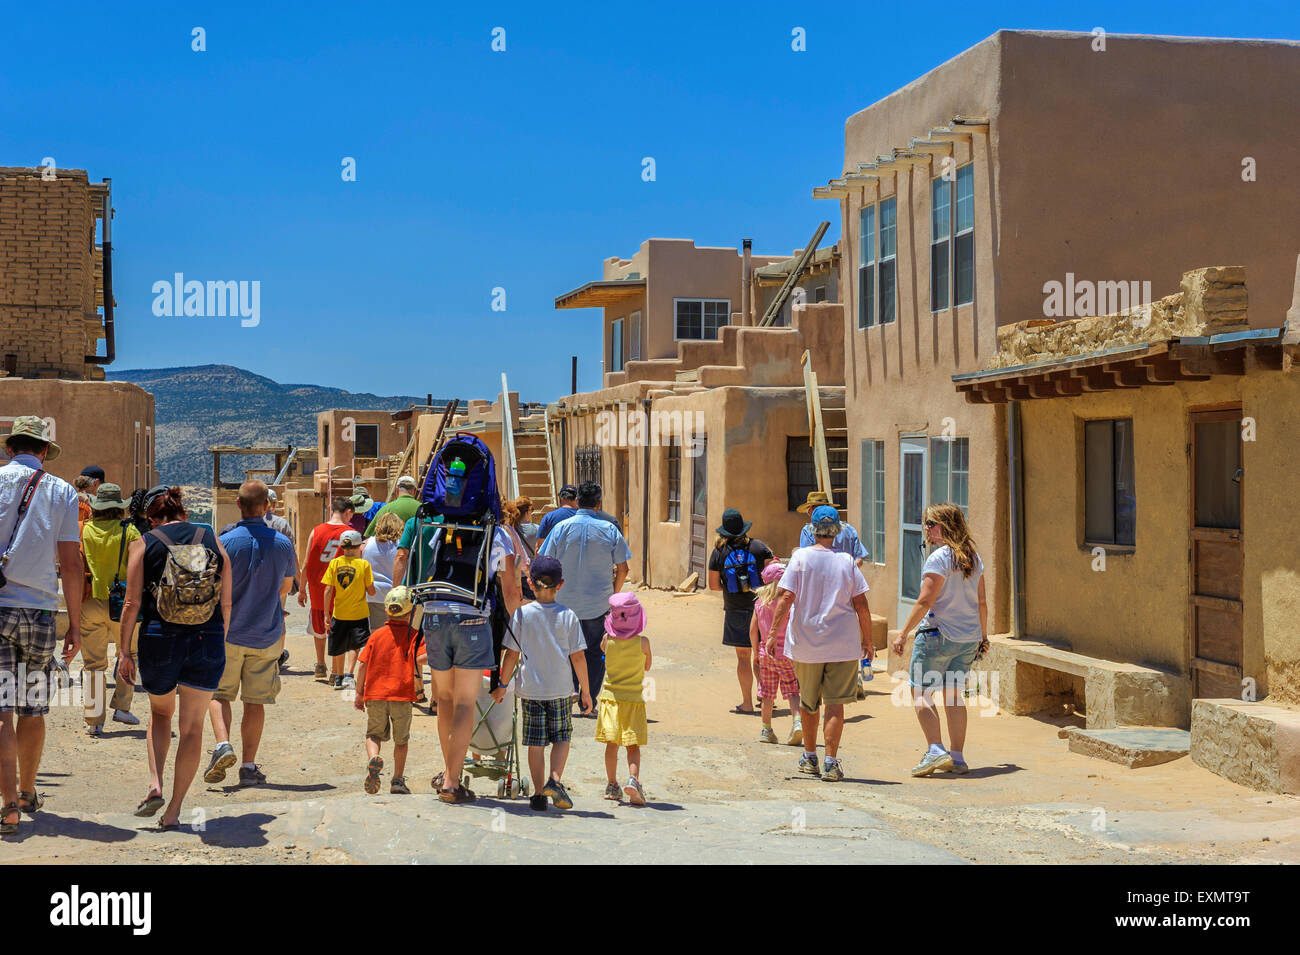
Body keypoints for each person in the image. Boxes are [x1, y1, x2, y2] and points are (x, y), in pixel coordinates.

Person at [117, 486, 231, 830]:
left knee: (160, 713)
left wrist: (125, 652)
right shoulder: (210, 536)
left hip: (160, 638)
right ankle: (175, 810)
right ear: (183, 512)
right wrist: (217, 638)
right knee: (193, 728)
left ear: (151, 517)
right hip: (207, 638)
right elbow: (226, 600)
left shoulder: (145, 542)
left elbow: (131, 604)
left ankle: (155, 785)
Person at [0, 417, 83, 835]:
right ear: (45, 450)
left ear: (10, 447)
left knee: (1, 711)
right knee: (32, 709)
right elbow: (71, 563)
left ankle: (8, 806)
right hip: (40, 612)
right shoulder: (61, 491)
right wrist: (75, 625)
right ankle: (29, 791)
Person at [770, 507, 873, 783]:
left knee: (808, 702)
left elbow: (786, 596)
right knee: (835, 705)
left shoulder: (800, 557)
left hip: (806, 644)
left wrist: (772, 634)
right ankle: (830, 763)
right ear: (837, 531)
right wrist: (869, 640)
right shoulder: (847, 562)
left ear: (812, 530)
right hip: (842, 644)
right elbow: (861, 603)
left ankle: (809, 757)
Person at [204, 480, 297, 788]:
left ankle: (222, 744)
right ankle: (248, 765)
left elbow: (211, 586)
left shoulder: (225, 541)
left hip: (228, 633)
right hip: (267, 634)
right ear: (267, 506)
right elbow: (286, 588)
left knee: (219, 695)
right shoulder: (283, 544)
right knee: (255, 702)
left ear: (238, 504)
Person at [423, 513, 520, 804]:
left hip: (435, 615)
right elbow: (510, 590)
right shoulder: (499, 533)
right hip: (472, 619)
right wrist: (521, 622)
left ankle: (448, 773)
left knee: (445, 699)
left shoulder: (446, 526)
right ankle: (452, 783)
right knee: (466, 702)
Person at [892, 503, 989, 777]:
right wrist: (983, 636)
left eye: (931, 523)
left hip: (937, 635)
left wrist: (903, 634)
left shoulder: (939, 559)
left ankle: (935, 750)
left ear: (945, 525)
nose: (926, 529)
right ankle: (957, 758)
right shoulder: (974, 558)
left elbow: (925, 600)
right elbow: (982, 602)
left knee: (921, 692)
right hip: (968, 638)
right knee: (953, 695)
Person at [493, 556, 590, 812]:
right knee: (561, 738)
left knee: (536, 744)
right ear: (561, 584)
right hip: (560, 689)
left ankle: (538, 795)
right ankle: (555, 781)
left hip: (532, 690)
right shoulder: (568, 616)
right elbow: (578, 656)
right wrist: (586, 692)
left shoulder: (522, 615)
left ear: (529, 583)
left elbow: (511, 654)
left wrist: (502, 684)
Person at [538, 481, 630, 702]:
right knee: (596, 652)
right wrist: (613, 595)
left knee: (565, 649)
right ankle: (589, 697)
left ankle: (570, 690)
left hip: (564, 601)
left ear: (577, 501)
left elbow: (543, 560)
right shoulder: (610, 530)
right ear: (598, 503)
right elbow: (623, 568)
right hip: (598, 604)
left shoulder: (560, 528)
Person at [79, 483, 140, 736]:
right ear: (120, 508)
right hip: (122, 604)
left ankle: (95, 721)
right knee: (129, 653)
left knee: (93, 664)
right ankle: (122, 707)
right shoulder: (131, 531)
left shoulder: (83, 530)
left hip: (91, 601)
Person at [354, 585, 423, 795]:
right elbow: (421, 659)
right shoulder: (414, 636)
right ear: (411, 612)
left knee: (373, 734)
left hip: (375, 694)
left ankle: (374, 758)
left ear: (386, 611)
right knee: (401, 741)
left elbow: (363, 664)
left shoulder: (376, 636)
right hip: (401, 696)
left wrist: (359, 692)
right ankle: (397, 780)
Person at [707, 507, 774, 714]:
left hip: (735, 610)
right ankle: (765, 697)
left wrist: (731, 587)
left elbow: (713, 585)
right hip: (761, 608)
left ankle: (746, 703)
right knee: (761, 654)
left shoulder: (719, 552)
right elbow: (773, 576)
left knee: (743, 657)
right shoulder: (759, 547)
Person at [596, 592, 651, 806]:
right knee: (633, 745)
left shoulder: (607, 640)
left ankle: (612, 784)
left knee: (612, 744)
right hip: (634, 700)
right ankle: (634, 780)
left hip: (610, 699)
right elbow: (647, 666)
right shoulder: (643, 643)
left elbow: (603, 652)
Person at [299, 497, 354, 681]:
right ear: (347, 512)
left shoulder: (316, 531)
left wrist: (301, 589)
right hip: (340, 588)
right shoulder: (350, 533)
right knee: (338, 629)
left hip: (316, 586)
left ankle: (320, 664)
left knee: (319, 627)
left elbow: (306, 563)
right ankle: (335, 671)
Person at [750, 560, 802, 746]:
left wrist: (756, 652)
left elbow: (752, 630)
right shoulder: (789, 602)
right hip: (786, 652)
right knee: (792, 690)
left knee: (767, 693)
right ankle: (797, 723)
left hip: (766, 652)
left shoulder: (760, 603)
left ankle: (766, 729)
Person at [322, 529, 375, 689]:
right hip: (359, 613)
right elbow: (371, 590)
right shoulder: (364, 564)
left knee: (338, 645)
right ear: (359, 546)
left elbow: (328, 590)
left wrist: (326, 614)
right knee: (354, 645)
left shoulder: (335, 563)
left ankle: (337, 677)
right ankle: (349, 675)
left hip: (339, 613)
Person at [795, 491, 869, 566]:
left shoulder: (808, 530)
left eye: (808, 511)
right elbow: (859, 560)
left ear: (812, 509)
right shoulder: (849, 529)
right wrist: (847, 571)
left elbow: (805, 560)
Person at [536, 484, 622, 544]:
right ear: (577, 499)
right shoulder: (594, 518)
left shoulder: (549, 517)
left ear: (560, 499)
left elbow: (540, 546)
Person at [501, 497, 536, 604]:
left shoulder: (505, 530)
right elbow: (523, 560)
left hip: (503, 579)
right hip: (523, 577)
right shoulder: (536, 529)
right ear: (527, 511)